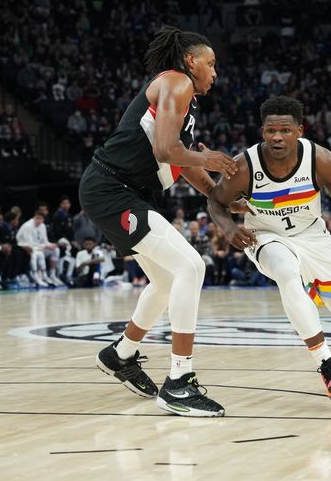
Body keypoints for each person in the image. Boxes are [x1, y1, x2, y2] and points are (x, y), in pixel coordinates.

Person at [78, 26, 235, 417]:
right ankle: (180, 381)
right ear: (190, 61)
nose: (215, 73)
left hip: (128, 191)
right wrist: (210, 159)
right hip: (112, 187)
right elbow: (168, 149)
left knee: (166, 279)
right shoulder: (176, 82)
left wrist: (228, 200)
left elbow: (178, 159)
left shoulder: (185, 102)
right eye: (211, 63)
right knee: (191, 266)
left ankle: (121, 353)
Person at [208, 96, 331, 399]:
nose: (277, 136)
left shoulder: (321, 160)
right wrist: (229, 227)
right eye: (271, 130)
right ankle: (326, 362)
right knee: (287, 272)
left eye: (285, 130)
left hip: (314, 237)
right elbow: (216, 202)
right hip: (264, 235)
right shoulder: (245, 166)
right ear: (262, 132)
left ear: (299, 130)